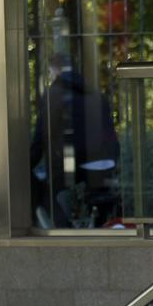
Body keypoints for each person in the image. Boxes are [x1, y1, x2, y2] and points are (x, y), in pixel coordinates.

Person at [30, 53, 120, 228]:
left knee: (47, 193)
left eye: (49, 73)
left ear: (54, 71)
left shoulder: (54, 94)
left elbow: (40, 140)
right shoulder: (94, 92)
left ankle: (64, 234)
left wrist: (26, 166)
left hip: (79, 165)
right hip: (109, 162)